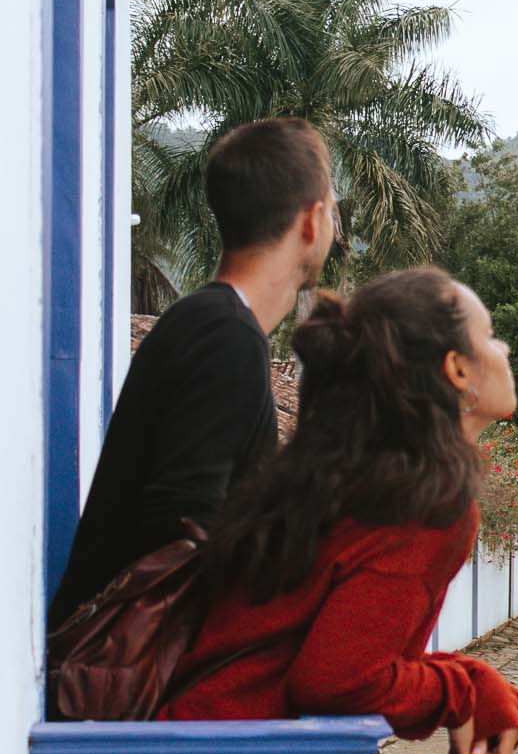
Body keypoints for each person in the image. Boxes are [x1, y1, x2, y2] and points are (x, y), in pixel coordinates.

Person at [159, 268, 518, 754]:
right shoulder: (426, 507)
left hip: (187, 742)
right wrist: (459, 691)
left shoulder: (341, 481)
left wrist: (473, 680)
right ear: (457, 371)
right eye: (489, 336)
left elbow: (324, 645)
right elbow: (340, 681)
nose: (503, 348)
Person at [48, 118, 337, 633]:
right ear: (312, 223)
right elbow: (182, 533)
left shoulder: (211, 324)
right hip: (120, 689)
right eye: (333, 207)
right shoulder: (225, 336)